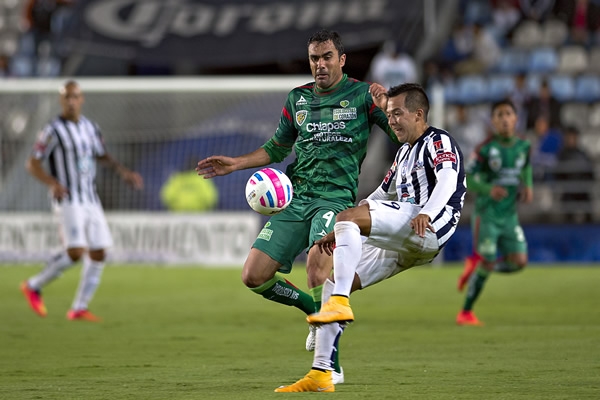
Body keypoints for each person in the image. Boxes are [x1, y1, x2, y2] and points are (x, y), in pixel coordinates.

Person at [196, 29, 397, 382]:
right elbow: (277, 147)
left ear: (342, 59)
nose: (320, 65)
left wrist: (388, 105)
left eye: (327, 57)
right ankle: (312, 309)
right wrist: (236, 163)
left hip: (335, 200)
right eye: (314, 59)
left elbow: (401, 133)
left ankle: (330, 364)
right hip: (296, 197)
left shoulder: (363, 95)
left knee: (318, 266)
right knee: (253, 275)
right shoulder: (297, 99)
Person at [275, 82, 467, 392]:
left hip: (427, 227)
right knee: (334, 281)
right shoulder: (404, 153)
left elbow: (447, 179)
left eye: (397, 114)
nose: (391, 121)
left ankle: (339, 304)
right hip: (403, 240)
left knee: (346, 227)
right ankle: (324, 372)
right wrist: (344, 223)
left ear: (419, 114)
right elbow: (381, 193)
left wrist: (426, 213)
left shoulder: (438, 141)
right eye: (388, 115)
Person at [20, 80, 143, 321]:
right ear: (61, 100)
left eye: (75, 96)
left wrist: (123, 172)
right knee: (76, 251)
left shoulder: (90, 127)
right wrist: (53, 183)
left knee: (98, 251)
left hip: (90, 198)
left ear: (82, 99)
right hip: (68, 197)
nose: (71, 101)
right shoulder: (52, 130)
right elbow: (32, 163)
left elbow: (101, 154)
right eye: (66, 97)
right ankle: (33, 285)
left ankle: (79, 308)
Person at [456, 99, 533, 326]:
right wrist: (490, 189)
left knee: (519, 262)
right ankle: (466, 312)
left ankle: (477, 265)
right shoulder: (485, 149)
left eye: (508, 114)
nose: (504, 119)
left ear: (516, 119)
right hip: (487, 215)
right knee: (488, 262)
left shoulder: (524, 146)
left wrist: (528, 186)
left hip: (510, 216)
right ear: (493, 122)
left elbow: (526, 166)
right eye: (499, 115)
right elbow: (466, 178)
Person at [553, 125, 595, 222]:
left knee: (587, 202)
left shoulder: (583, 154)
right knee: (567, 205)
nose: (571, 139)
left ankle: (589, 227)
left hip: (582, 190)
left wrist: (583, 184)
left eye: (573, 137)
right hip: (568, 191)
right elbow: (558, 174)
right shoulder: (561, 155)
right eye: (569, 137)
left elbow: (590, 174)